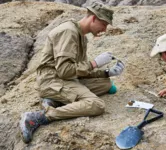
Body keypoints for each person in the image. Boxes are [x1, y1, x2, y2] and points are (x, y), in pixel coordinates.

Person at [20, 2, 125, 143]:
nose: (104, 30)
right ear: (93, 18)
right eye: (104, 25)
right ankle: (39, 117)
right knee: (96, 105)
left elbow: (80, 70)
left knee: (106, 84)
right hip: (53, 81)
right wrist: (94, 63)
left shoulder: (80, 35)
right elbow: (64, 71)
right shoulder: (68, 32)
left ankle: (56, 100)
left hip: (66, 79)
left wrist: (106, 72)